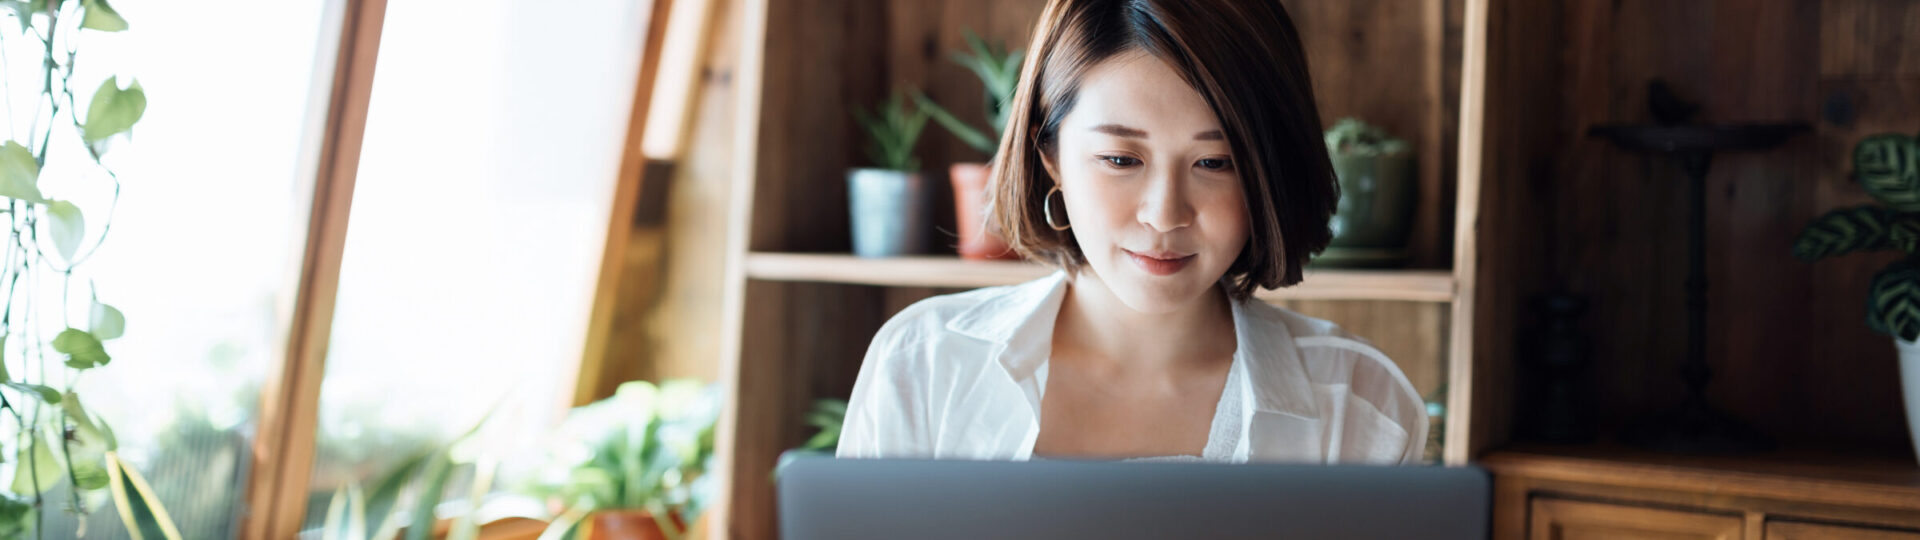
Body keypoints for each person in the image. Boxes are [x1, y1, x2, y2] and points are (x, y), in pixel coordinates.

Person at [838, 0, 1427, 464]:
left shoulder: (1359, 405)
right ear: (1051, 156)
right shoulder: (925, 366)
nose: (1165, 214)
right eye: (1121, 160)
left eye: (1215, 163)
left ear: (1268, 171)